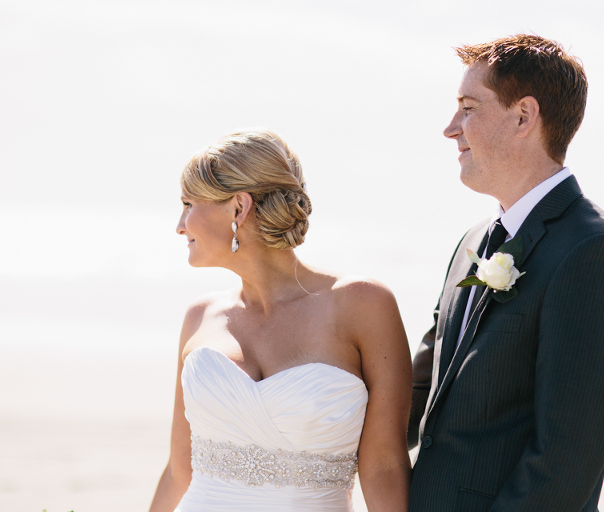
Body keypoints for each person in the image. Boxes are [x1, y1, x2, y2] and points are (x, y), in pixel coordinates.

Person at [408, 35, 604, 512]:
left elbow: (563, 464)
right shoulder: (472, 243)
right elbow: (421, 390)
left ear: (523, 116)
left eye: (468, 107)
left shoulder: (595, 253)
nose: (450, 128)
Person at [148, 129, 412, 512]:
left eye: (189, 203)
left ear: (239, 208)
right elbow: (178, 473)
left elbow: (384, 467)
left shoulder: (362, 305)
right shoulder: (199, 318)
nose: (180, 224)